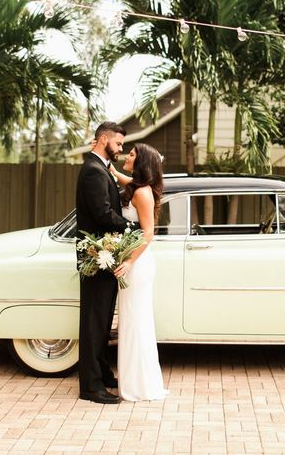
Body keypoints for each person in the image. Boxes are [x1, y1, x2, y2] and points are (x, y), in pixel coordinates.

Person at [109, 143, 169, 401]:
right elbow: (127, 181)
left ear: (141, 162)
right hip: (135, 261)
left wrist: (130, 261)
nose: (127, 155)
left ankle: (139, 385)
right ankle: (135, 381)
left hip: (138, 263)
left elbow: (148, 233)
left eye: (132, 154)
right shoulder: (138, 187)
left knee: (136, 321)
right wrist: (112, 170)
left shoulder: (143, 194)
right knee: (132, 319)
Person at [76, 121, 129, 404]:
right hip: (95, 258)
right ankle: (90, 386)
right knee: (93, 323)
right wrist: (131, 227)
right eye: (118, 143)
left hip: (104, 257)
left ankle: (102, 373)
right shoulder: (93, 171)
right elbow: (102, 214)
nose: (120, 149)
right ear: (103, 139)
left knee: (103, 320)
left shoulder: (102, 169)